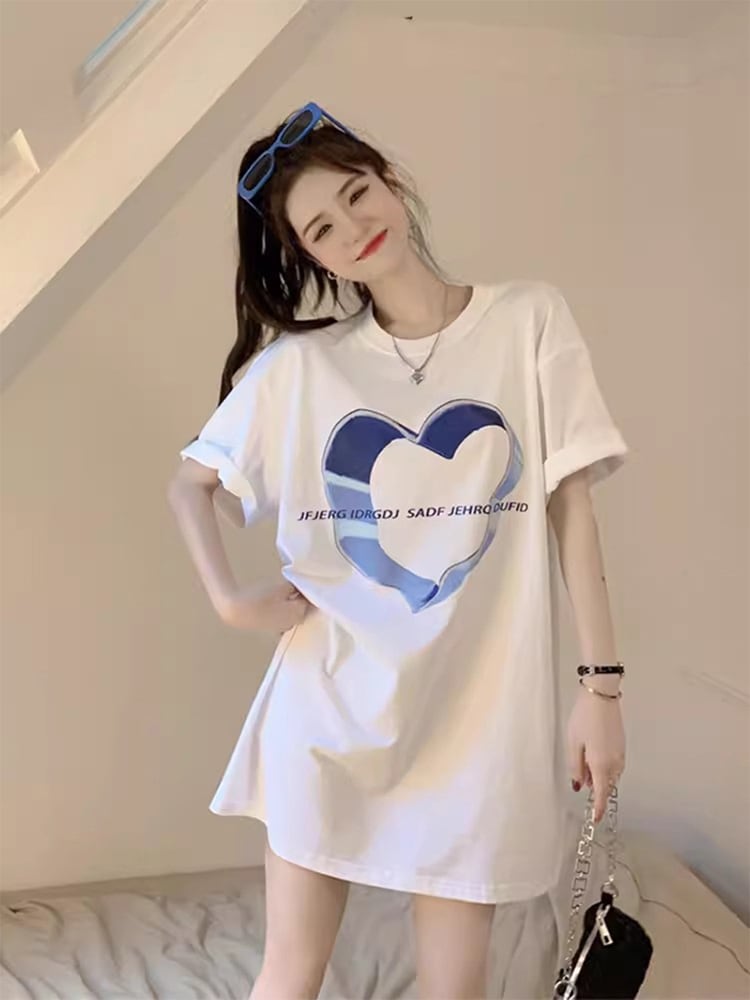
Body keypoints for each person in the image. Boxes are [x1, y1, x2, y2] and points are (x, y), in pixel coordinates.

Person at [168, 101, 628, 1000]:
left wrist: (601, 690)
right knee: (290, 972)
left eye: (356, 194)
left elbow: (571, 507)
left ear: (389, 179)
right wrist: (231, 600)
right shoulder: (302, 369)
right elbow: (189, 485)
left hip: (476, 721)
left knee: (457, 987)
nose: (353, 229)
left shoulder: (528, 320)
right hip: (329, 711)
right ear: (310, 257)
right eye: (321, 230)